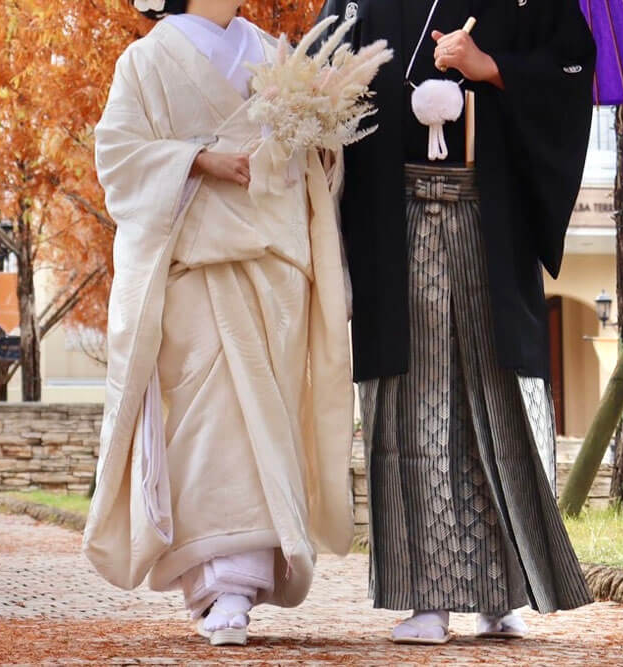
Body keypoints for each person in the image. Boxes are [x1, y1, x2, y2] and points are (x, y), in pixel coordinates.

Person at [315, 0, 597, 644]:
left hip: (489, 218)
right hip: (398, 215)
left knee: (502, 401)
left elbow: (572, 72)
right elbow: (323, 73)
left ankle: (505, 595)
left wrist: (491, 68)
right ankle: (426, 599)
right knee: (414, 407)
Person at [83, 0, 354, 647]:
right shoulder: (146, 59)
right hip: (196, 266)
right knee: (210, 425)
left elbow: (315, 163)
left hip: (273, 266)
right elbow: (117, 159)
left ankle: (240, 582)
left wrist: (312, 134)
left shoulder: (273, 52)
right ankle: (222, 584)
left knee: (268, 416)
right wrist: (199, 159)